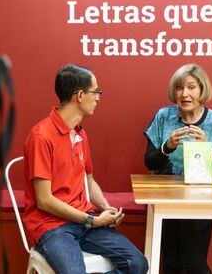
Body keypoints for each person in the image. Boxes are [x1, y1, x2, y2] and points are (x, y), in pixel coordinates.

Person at [23, 64, 148, 274]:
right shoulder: (41, 136)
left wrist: (106, 209)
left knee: (137, 263)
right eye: (96, 91)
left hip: (85, 222)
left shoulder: (80, 133)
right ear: (79, 95)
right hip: (53, 227)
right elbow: (44, 200)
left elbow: (88, 180)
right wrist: (92, 219)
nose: (99, 97)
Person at [144, 63, 212, 273]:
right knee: (171, 261)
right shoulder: (163, 116)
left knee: (192, 260)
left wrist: (207, 150)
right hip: (166, 197)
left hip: (201, 199)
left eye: (191, 87)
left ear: (202, 90)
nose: (184, 94)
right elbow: (149, 162)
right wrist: (167, 147)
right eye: (179, 88)